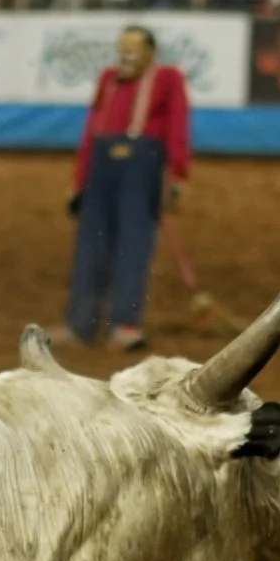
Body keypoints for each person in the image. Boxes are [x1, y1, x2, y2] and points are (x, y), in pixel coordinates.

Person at [65, 26, 191, 351]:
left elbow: (178, 125)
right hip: (101, 164)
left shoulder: (168, 79)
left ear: (150, 52)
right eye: (122, 47)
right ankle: (82, 324)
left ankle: (125, 324)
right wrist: (79, 179)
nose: (126, 54)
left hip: (142, 164)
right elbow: (92, 128)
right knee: (91, 245)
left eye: (133, 47)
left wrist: (177, 174)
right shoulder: (108, 78)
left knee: (133, 246)